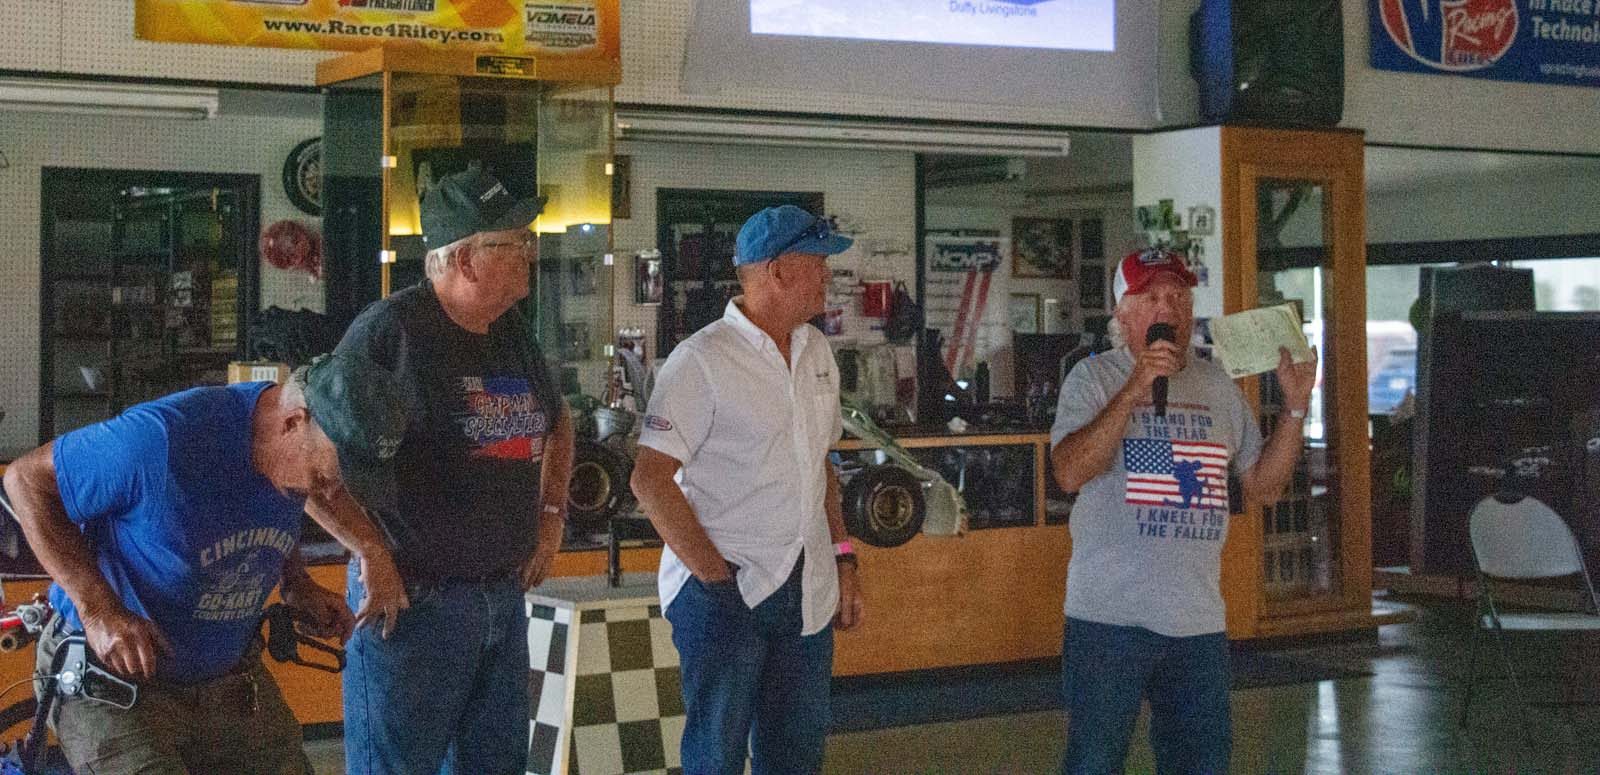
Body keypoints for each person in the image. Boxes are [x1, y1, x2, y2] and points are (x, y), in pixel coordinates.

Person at [2, 352, 408, 775]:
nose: (330, 492)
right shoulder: (162, 440)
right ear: (292, 422)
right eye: (324, 478)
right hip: (114, 681)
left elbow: (275, 502)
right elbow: (25, 481)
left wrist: (296, 581)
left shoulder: (288, 455)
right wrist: (99, 610)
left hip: (227, 677)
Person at [334, 164, 575, 775]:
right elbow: (308, 467)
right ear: (465, 259)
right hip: (413, 604)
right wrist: (369, 550)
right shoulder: (390, 334)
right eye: (514, 242)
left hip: (501, 597)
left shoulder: (510, 330)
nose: (529, 253)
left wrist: (550, 517)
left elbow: (559, 422)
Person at [1049, 248, 1318, 774]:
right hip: (1108, 620)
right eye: (1151, 296)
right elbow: (1069, 473)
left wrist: (1295, 407)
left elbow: (1264, 488)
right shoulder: (1092, 378)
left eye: (1178, 296)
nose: (1167, 307)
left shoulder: (1218, 385)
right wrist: (1135, 387)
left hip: (1196, 623)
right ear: (1123, 313)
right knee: (1094, 763)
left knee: (1202, 764)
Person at [631, 205, 866, 775]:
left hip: (807, 589)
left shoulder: (817, 351)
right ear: (778, 271)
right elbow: (649, 479)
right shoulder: (701, 359)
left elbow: (820, 465)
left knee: (795, 758)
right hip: (724, 592)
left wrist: (844, 557)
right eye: (818, 261)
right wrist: (716, 581)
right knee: (716, 759)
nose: (828, 274)